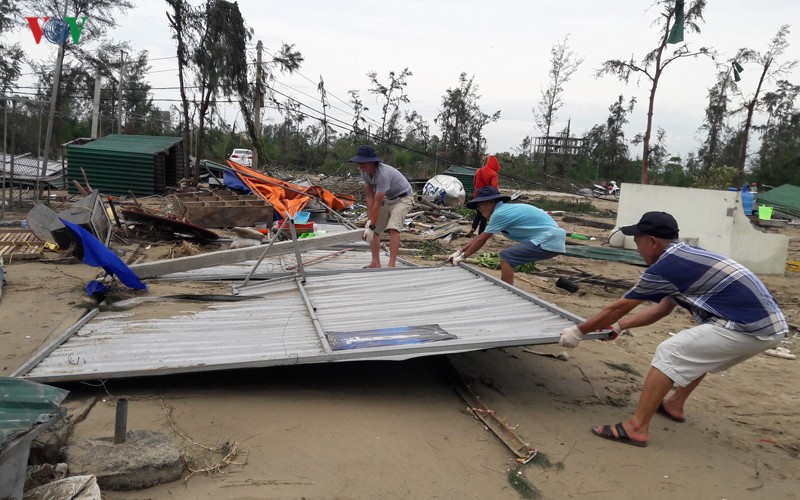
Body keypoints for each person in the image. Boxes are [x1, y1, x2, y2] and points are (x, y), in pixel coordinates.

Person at [558, 211, 787, 448]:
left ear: (653, 242)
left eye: (638, 242)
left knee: (670, 352)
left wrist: (578, 331)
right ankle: (674, 405)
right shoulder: (686, 255)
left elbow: (619, 307)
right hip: (769, 327)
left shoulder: (664, 268)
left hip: (747, 326)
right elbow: (661, 310)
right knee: (697, 352)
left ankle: (636, 428)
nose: (637, 249)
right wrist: (618, 327)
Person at [449, 186, 566, 285]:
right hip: (553, 238)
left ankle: (506, 290)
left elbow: (482, 240)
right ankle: (507, 286)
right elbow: (479, 237)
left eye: (479, 205)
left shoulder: (500, 214)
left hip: (548, 238)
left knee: (507, 256)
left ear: (491, 201)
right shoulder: (504, 211)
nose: (479, 209)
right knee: (510, 257)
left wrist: (463, 257)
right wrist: (459, 251)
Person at [350, 145, 413, 268]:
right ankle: (375, 262)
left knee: (393, 228)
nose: (361, 166)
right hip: (389, 199)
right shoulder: (364, 173)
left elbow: (378, 202)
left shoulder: (382, 174)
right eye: (359, 163)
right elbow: (370, 197)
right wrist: (370, 222)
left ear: (373, 162)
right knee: (375, 230)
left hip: (404, 198)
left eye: (364, 163)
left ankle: (392, 264)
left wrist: (371, 225)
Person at [465, 155, 501, 238]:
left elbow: (474, 183)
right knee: (485, 216)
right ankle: (480, 234)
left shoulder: (479, 170)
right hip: (487, 198)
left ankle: (473, 228)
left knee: (478, 213)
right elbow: (494, 187)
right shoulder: (493, 174)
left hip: (478, 195)